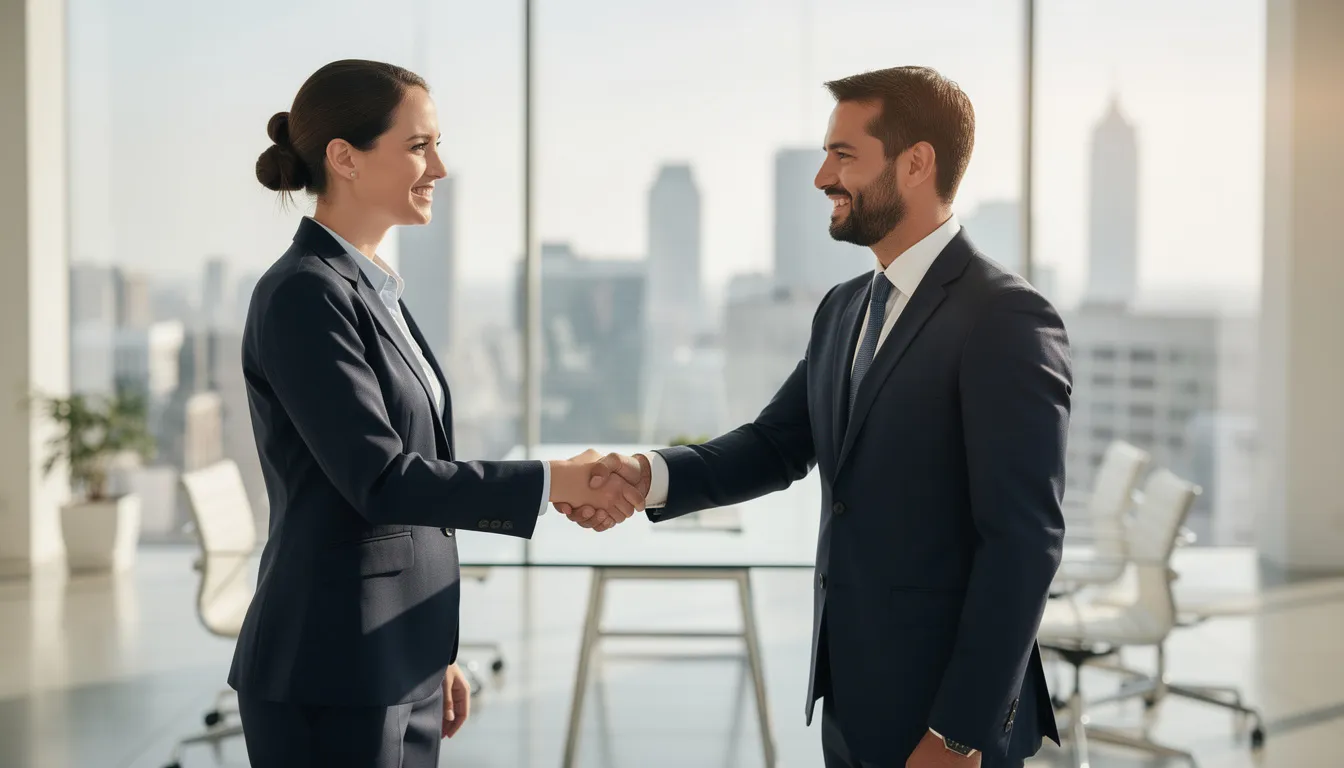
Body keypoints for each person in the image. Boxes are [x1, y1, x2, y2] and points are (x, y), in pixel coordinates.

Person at [561, 66, 1070, 768]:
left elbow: (1022, 546)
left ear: (916, 163)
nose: (822, 177)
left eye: (844, 155)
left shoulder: (1004, 318)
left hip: (947, 721)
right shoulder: (843, 309)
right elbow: (774, 445)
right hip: (853, 699)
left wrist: (959, 734)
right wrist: (644, 474)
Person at [234, 59, 639, 768]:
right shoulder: (304, 294)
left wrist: (432, 651)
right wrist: (553, 482)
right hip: (333, 666)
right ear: (345, 158)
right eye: (419, 146)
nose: (440, 168)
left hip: (395, 654)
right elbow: (382, 481)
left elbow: (416, 485)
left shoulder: (371, 289)